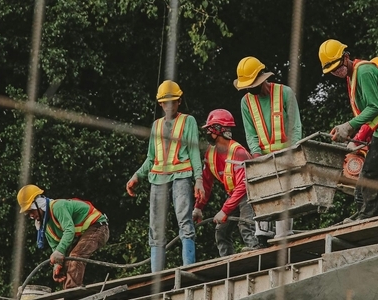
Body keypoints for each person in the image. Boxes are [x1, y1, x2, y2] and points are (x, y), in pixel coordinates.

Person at [318, 40, 378, 220]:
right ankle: (366, 214)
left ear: (346, 57)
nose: (336, 71)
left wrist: (348, 127)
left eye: (337, 66)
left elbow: (374, 108)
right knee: (371, 170)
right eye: (331, 70)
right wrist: (353, 136)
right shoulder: (352, 78)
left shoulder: (363, 71)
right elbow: (368, 114)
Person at [126, 80, 204, 272]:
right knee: (156, 226)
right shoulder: (156, 126)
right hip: (158, 178)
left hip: (181, 175)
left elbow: (194, 153)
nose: (169, 106)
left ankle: (188, 268)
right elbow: (151, 158)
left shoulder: (188, 121)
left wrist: (199, 180)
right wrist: (136, 176)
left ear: (178, 101)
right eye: (165, 103)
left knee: (184, 219)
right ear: (161, 104)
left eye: (173, 102)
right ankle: (156, 274)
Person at [234, 57, 302, 241]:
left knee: (284, 195)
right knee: (262, 191)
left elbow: (295, 126)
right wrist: (257, 157)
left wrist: (293, 152)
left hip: (285, 153)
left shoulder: (285, 93)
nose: (251, 89)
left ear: (262, 78)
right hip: (262, 155)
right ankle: (263, 233)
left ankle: (283, 235)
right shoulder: (246, 102)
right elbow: (251, 133)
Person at [193, 109, 261, 256]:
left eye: (209, 129)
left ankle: (257, 252)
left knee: (246, 224)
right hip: (234, 195)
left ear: (218, 130)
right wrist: (198, 207)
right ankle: (227, 261)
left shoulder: (238, 152)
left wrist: (224, 210)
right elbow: (206, 183)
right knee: (221, 231)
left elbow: (243, 185)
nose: (207, 133)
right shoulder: (210, 154)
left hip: (249, 193)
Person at [16, 185, 109, 289]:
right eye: (28, 213)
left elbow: (69, 230)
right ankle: (68, 291)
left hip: (99, 227)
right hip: (84, 234)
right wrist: (58, 264)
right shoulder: (45, 225)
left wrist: (59, 252)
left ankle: (72, 292)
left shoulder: (57, 207)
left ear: (38, 204)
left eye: (31, 211)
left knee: (75, 256)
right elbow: (56, 247)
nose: (31, 216)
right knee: (66, 262)